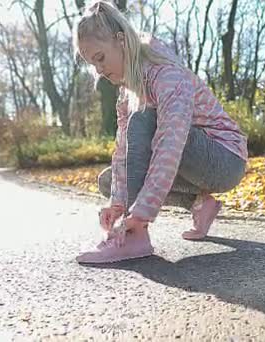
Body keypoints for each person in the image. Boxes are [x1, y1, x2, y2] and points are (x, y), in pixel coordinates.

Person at [73, 1, 248, 264]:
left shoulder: (165, 73)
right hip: (189, 160)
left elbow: (170, 145)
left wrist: (140, 215)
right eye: (91, 64)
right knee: (110, 182)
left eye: (100, 58)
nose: (98, 69)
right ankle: (201, 204)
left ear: (121, 41)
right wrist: (118, 205)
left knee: (144, 115)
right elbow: (123, 152)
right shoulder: (128, 92)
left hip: (224, 158)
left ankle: (134, 236)